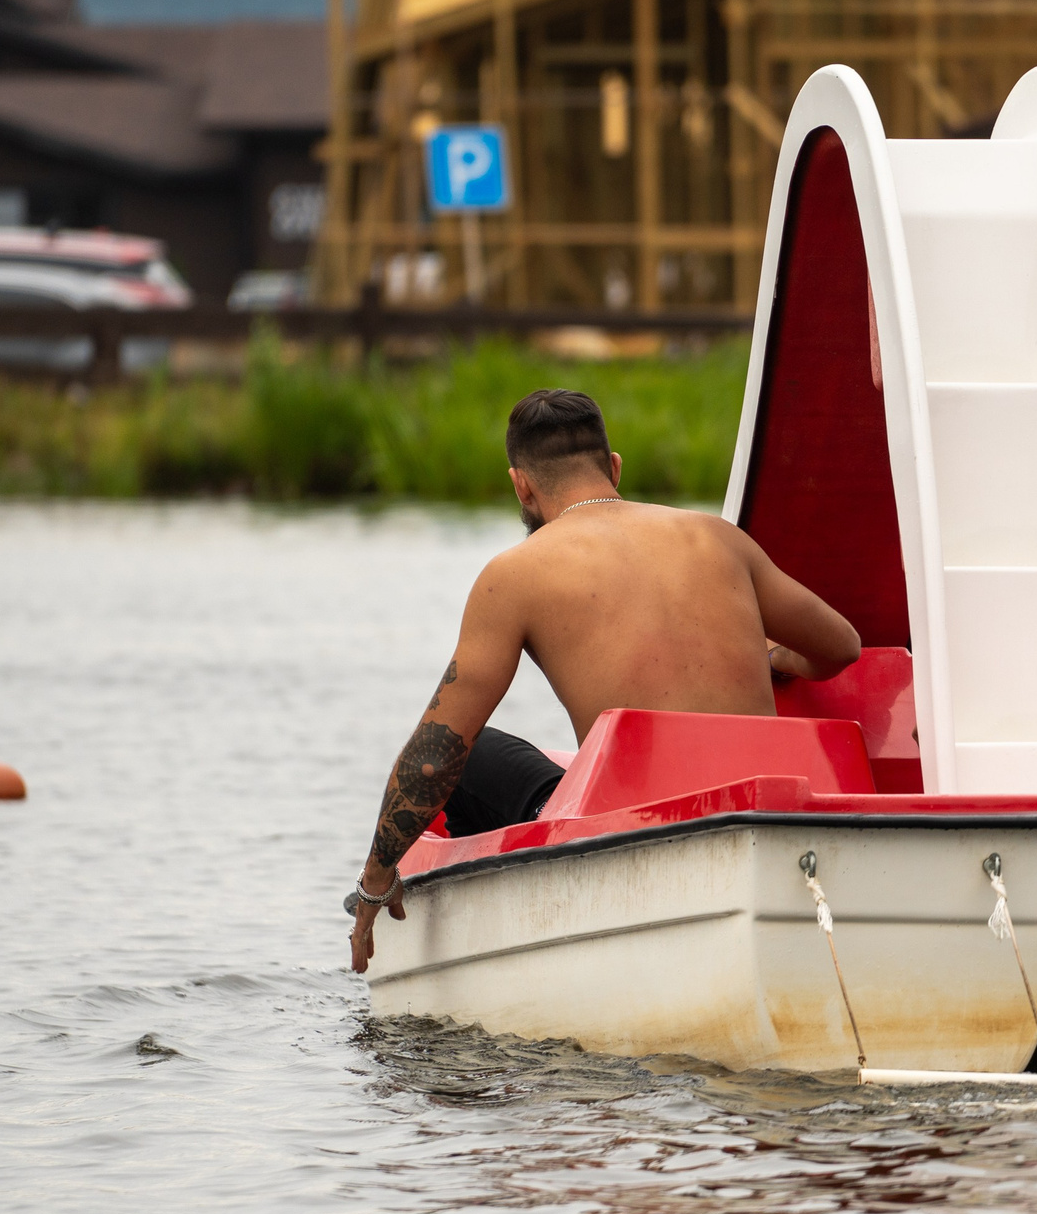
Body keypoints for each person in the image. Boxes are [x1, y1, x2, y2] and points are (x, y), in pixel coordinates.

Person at [344, 388, 861, 972]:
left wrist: (374, 879)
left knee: (476, 754)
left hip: (631, 825)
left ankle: (502, 951)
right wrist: (778, 657)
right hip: (769, 815)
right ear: (614, 467)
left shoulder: (515, 574)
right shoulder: (715, 537)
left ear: (522, 485)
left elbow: (436, 756)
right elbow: (842, 646)